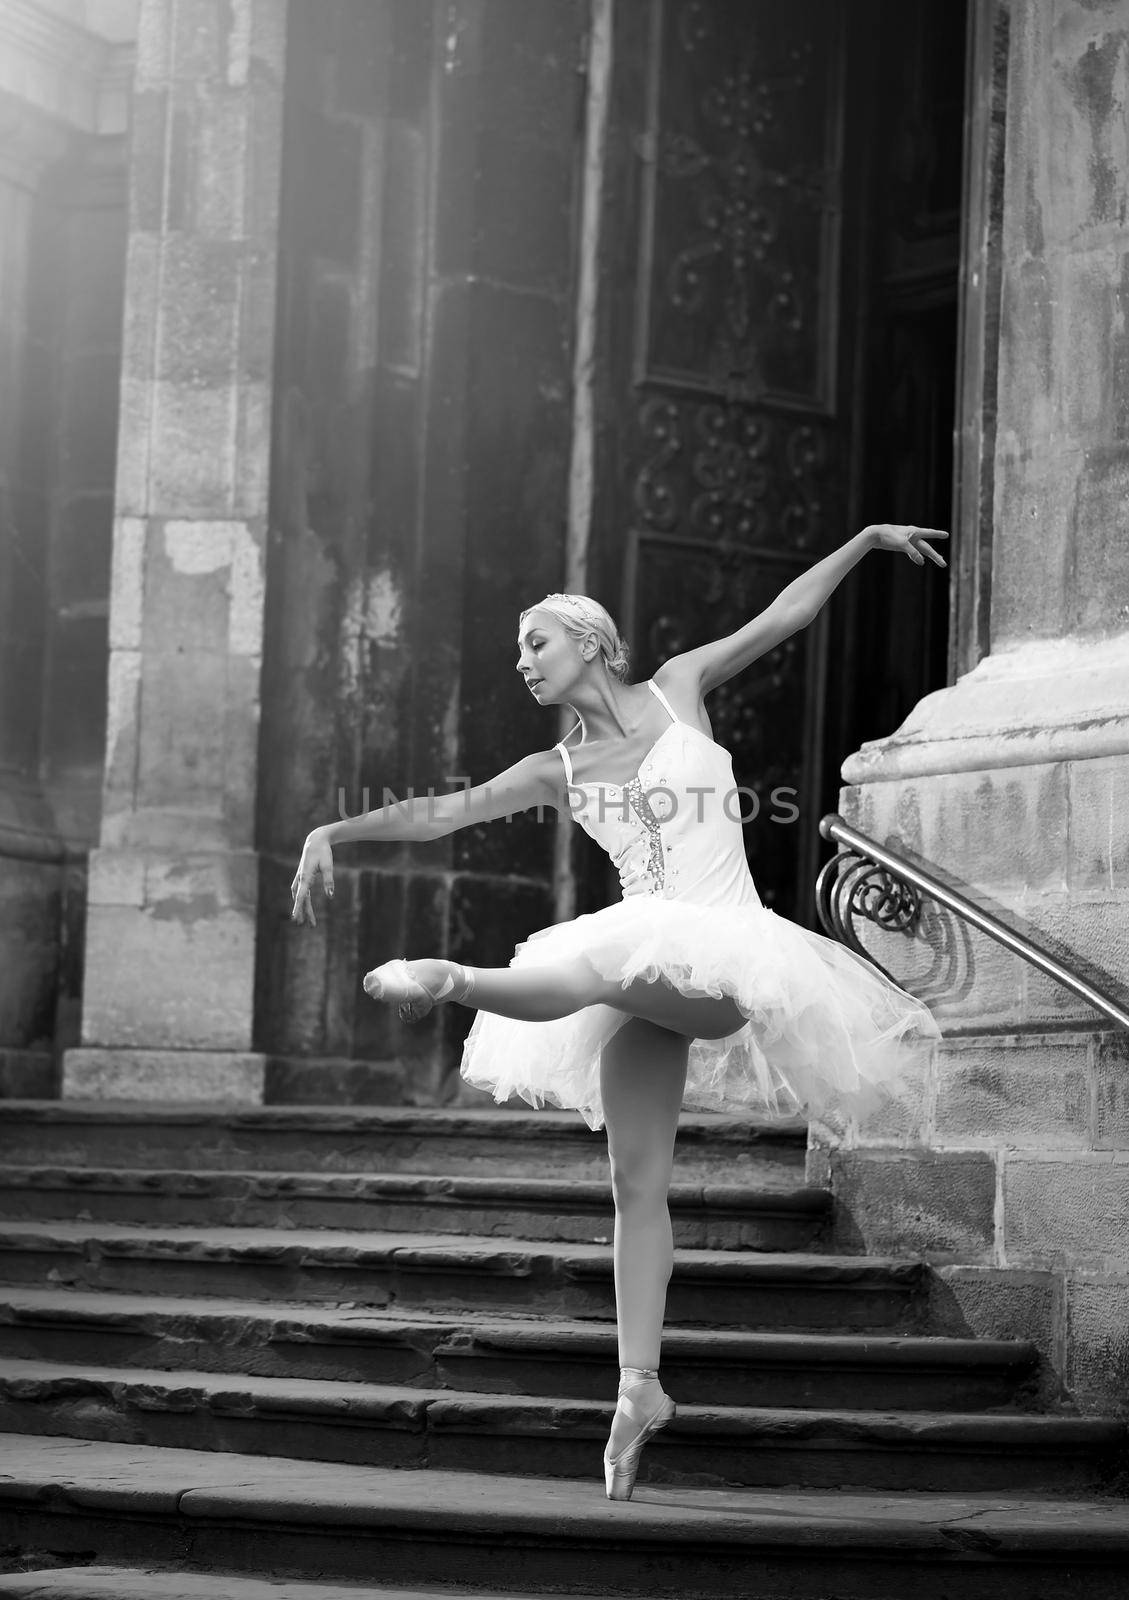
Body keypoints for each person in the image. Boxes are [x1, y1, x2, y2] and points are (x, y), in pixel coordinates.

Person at [290, 521, 947, 1501]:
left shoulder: (678, 687)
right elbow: (446, 810)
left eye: (535, 644)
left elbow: (785, 614)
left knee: (593, 960)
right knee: (635, 1184)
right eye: (518, 651)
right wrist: (329, 830)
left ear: (589, 641)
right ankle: (638, 1387)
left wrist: (863, 540)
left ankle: (454, 978)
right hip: (638, 971)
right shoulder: (553, 770)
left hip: (724, 956)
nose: (521, 662)